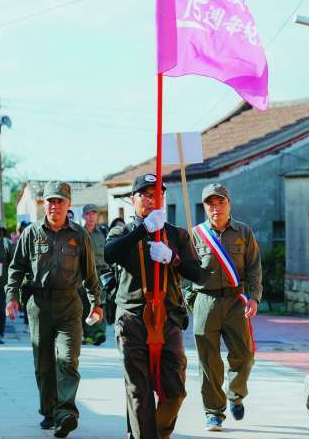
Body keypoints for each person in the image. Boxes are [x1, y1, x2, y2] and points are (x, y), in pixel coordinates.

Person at [104, 173, 204, 439]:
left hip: (168, 317)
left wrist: (174, 259)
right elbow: (110, 253)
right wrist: (143, 230)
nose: (151, 200)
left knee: (175, 390)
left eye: (156, 194)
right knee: (139, 390)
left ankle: (156, 433)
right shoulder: (123, 231)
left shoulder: (176, 233)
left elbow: (198, 273)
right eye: (145, 195)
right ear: (133, 199)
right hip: (133, 317)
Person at [5, 181, 102, 438]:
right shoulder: (31, 233)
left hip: (70, 304)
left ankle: (66, 413)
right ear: (43, 203)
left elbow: (90, 274)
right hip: (38, 306)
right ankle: (49, 411)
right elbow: (16, 268)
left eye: (60, 201)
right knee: (44, 364)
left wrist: (97, 303)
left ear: (68, 205)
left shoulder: (79, 235)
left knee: (68, 359)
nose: (54, 205)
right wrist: (12, 297)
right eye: (50, 201)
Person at [188, 183, 262, 432]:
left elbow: (254, 268)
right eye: (210, 203)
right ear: (204, 207)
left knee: (244, 355)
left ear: (229, 203)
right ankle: (214, 413)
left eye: (220, 202)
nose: (215, 208)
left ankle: (235, 393)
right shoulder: (195, 234)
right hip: (205, 301)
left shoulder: (244, 232)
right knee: (208, 361)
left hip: (234, 301)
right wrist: (191, 300)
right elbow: (184, 272)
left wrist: (254, 298)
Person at [79, 204, 109, 346]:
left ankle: (99, 332)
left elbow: (109, 253)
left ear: (97, 216)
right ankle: (88, 334)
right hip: (83, 274)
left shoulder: (103, 232)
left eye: (93, 214)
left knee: (100, 303)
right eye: (88, 214)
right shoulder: (79, 233)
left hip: (100, 274)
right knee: (85, 304)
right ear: (84, 216)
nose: (91, 217)